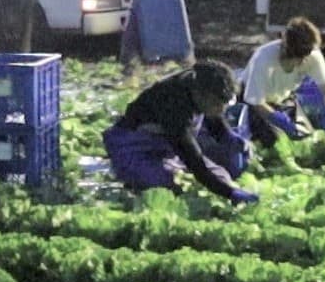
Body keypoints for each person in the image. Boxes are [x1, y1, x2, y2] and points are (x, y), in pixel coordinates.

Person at [102, 59, 258, 203]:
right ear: (200, 95)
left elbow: (213, 116)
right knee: (166, 184)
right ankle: (127, 175)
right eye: (217, 104)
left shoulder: (201, 86)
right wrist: (230, 194)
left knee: (222, 176)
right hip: (133, 147)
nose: (221, 109)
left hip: (166, 147)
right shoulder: (173, 104)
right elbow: (193, 160)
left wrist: (228, 137)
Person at [240, 16, 325, 152]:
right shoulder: (264, 58)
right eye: (299, 58)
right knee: (276, 143)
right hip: (254, 105)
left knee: (306, 138)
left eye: (306, 56)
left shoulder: (312, 55)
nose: (303, 62)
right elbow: (255, 101)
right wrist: (283, 123)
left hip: (282, 99)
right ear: (287, 50)